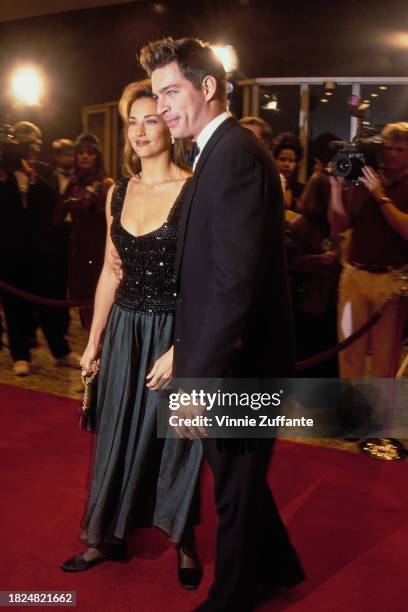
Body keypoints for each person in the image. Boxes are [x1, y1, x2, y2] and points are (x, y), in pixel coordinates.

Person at [140, 37, 304, 612]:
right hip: (233, 357)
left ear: (207, 87)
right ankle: (279, 565)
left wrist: (198, 381)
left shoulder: (233, 153)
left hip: (240, 364)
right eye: (157, 94)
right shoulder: (220, 150)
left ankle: (232, 597)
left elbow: (234, 283)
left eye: (170, 92)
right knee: (239, 477)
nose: (161, 108)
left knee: (232, 486)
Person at [60, 80, 203, 589]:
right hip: (125, 327)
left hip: (174, 328)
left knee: (180, 437)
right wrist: (94, 341)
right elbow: (111, 271)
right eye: (132, 122)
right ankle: (105, 536)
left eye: (151, 119)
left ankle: (183, 539)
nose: (141, 131)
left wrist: (184, 347)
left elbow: (206, 282)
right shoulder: (117, 191)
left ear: (170, 122)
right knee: (118, 432)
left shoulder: (193, 191)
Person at [329, 122, 408, 378]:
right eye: (388, 148)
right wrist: (335, 188)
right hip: (355, 276)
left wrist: (380, 195)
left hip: (390, 281)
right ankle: (351, 415)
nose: (392, 154)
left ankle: (378, 417)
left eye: (400, 149)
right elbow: (339, 225)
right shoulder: (363, 178)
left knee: (384, 362)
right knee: (350, 354)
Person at [0, 121, 76, 376]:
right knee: (14, 306)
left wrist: (33, 177)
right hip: (10, 251)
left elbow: (54, 199)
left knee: (49, 303)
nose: (33, 148)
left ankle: (61, 351)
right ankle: (20, 355)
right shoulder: (2, 173)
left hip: (41, 251)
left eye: (36, 142)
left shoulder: (42, 171)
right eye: (28, 142)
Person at [55, 133, 113, 330]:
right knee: (84, 307)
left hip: (99, 251)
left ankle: (104, 355)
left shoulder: (106, 183)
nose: (85, 157)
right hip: (78, 251)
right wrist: (68, 188)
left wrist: (94, 197)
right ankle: (93, 355)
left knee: (102, 308)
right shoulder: (73, 184)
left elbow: (110, 219)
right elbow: (57, 217)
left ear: (97, 156)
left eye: (90, 153)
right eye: (80, 153)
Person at [273, 132, 304, 212]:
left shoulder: (302, 190)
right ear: (274, 160)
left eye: (291, 160)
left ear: (297, 164)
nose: (287, 164)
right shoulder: (268, 187)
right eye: (282, 159)